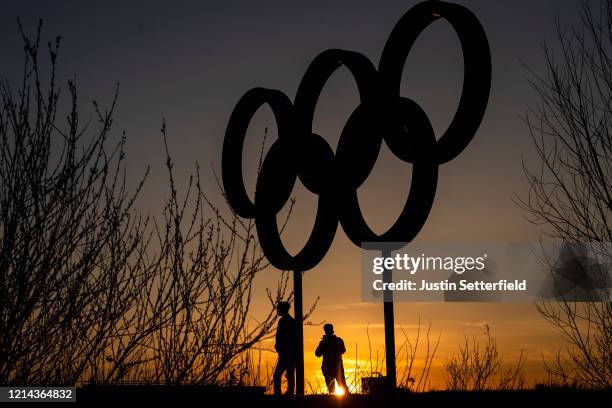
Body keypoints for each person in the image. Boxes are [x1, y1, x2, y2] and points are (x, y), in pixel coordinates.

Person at [315, 323, 348, 394]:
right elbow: (317, 354)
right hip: (330, 368)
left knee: (339, 388)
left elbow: (343, 350)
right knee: (333, 389)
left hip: (334, 368)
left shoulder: (337, 340)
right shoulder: (326, 342)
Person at [273, 301, 297, 396]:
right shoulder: (292, 321)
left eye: (278, 309)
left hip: (285, 353)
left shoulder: (283, 321)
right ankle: (290, 392)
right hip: (290, 352)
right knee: (290, 374)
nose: (277, 311)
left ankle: (278, 394)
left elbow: (281, 337)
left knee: (277, 375)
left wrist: (279, 347)